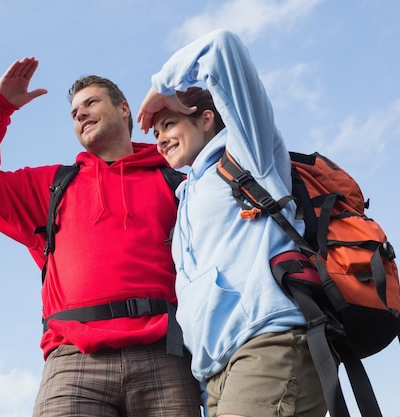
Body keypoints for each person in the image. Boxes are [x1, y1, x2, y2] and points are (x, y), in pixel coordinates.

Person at [0, 57, 201, 416]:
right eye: (73, 112)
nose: (80, 114)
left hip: (165, 354)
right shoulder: (52, 186)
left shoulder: (177, 183)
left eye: (91, 103)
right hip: (74, 359)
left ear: (125, 109)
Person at [137, 30, 328, 417]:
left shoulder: (249, 152)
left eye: (169, 124)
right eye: (156, 133)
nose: (160, 138)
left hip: (268, 342)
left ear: (206, 118)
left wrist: (160, 88)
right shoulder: (186, 196)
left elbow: (223, 46)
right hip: (217, 372)